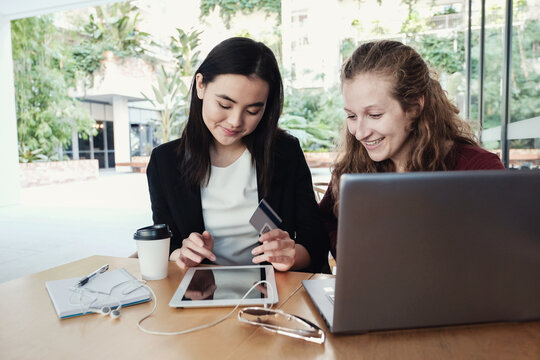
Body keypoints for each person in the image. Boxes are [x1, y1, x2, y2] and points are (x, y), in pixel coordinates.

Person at [146, 37, 329, 273]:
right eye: (224, 105)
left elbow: (315, 243)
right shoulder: (165, 162)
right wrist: (182, 253)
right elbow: (166, 241)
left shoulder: (285, 153)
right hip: (199, 291)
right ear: (200, 85)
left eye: (253, 110)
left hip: (272, 291)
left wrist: (290, 256)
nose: (235, 122)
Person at [319, 40, 505, 259]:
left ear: (414, 107)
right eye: (351, 116)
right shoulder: (352, 167)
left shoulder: (479, 170)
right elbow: (323, 223)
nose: (359, 133)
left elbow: (507, 255)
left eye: (375, 115)